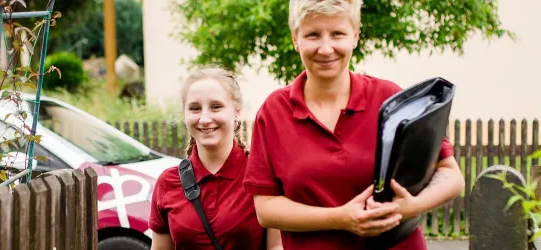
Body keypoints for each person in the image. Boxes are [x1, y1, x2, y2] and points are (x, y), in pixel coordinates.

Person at [242, 0, 465, 249]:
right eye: (313, 35)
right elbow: (266, 208)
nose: (326, 49)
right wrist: (340, 218)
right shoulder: (274, 112)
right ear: (296, 39)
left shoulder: (388, 98)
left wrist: (411, 206)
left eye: (337, 34)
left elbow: (450, 174)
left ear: (355, 36)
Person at [149, 66, 283, 250]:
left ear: (236, 112)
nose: (205, 118)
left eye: (216, 107)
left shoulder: (262, 175)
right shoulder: (167, 182)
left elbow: (277, 247)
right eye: (195, 108)